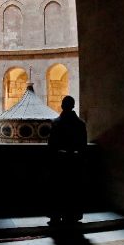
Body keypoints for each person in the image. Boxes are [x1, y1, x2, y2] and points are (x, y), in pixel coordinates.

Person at [47, 95, 88, 226]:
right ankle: (72, 216)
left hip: (59, 162)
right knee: (73, 191)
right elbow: (83, 146)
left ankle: (56, 216)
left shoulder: (56, 123)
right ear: (73, 106)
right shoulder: (81, 124)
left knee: (58, 190)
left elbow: (51, 146)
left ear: (62, 106)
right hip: (75, 163)